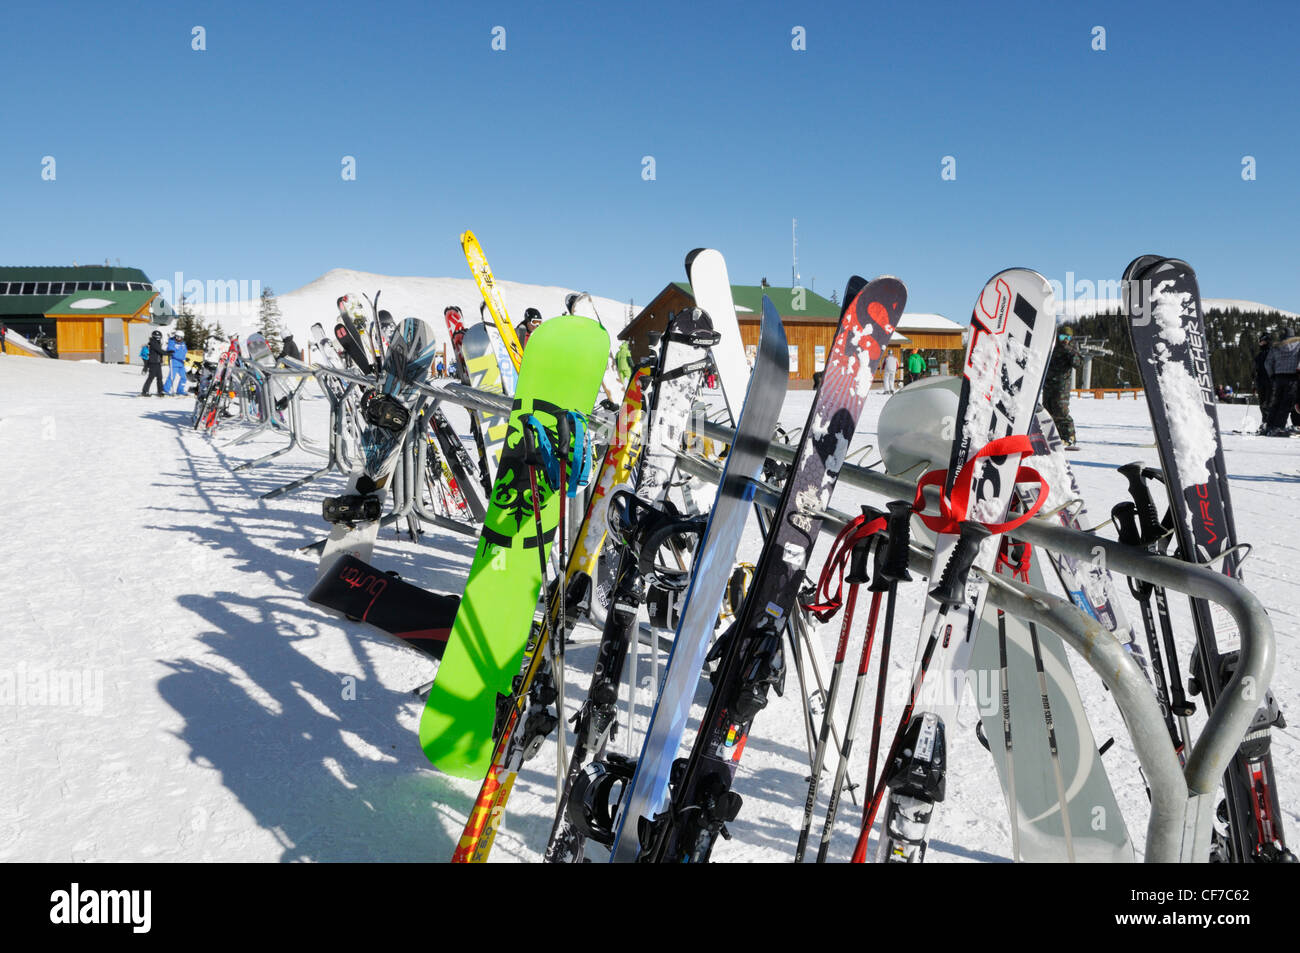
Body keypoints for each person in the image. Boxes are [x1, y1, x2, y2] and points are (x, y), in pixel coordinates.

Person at [1043, 325, 1083, 447]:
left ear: (1071, 338)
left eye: (1067, 337)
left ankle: (1069, 437)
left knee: (1061, 411)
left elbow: (1078, 364)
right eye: (1062, 336)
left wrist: (1070, 351)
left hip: (1062, 386)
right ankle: (1053, 437)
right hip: (1048, 384)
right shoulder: (1052, 347)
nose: (1064, 339)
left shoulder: (1071, 349)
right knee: (1048, 411)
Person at [1263, 327, 1300, 434]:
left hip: (1278, 377)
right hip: (1293, 377)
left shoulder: (1276, 347)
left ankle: (1270, 425)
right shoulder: (1298, 344)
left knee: (1276, 402)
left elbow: (1267, 363)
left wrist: (1272, 375)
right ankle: (1279, 427)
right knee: (1286, 403)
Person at [141, 330, 168, 397]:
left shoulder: (157, 342)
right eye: (157, 336)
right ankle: (145, 391)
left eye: (159, 336)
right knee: (151, 377)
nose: (159, 338)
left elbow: (159, 352)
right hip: (153, 363)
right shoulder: (153, 343)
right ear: (154, 337)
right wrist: (168, 353)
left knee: (159, 377)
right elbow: (160, 351)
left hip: (157, 363)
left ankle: (160, 391)